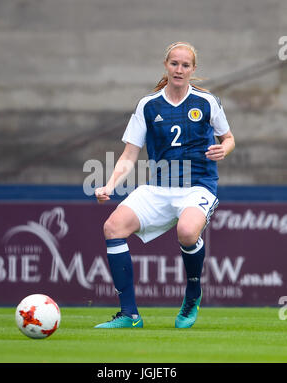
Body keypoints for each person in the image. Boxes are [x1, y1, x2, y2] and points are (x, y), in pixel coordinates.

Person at [94, 41, 235, 329]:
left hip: (198, 186)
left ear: (193, 69)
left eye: (185, 65)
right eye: (174, 64)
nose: (179, 69)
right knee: (112, 227)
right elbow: (129, 155)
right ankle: (129, 315)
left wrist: (225, 149)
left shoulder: (206, 102)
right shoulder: (148, 104)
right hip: (158, 187)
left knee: (186, 232)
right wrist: (109, 184)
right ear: (166, 66)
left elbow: (228, 138)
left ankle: (193, 293)